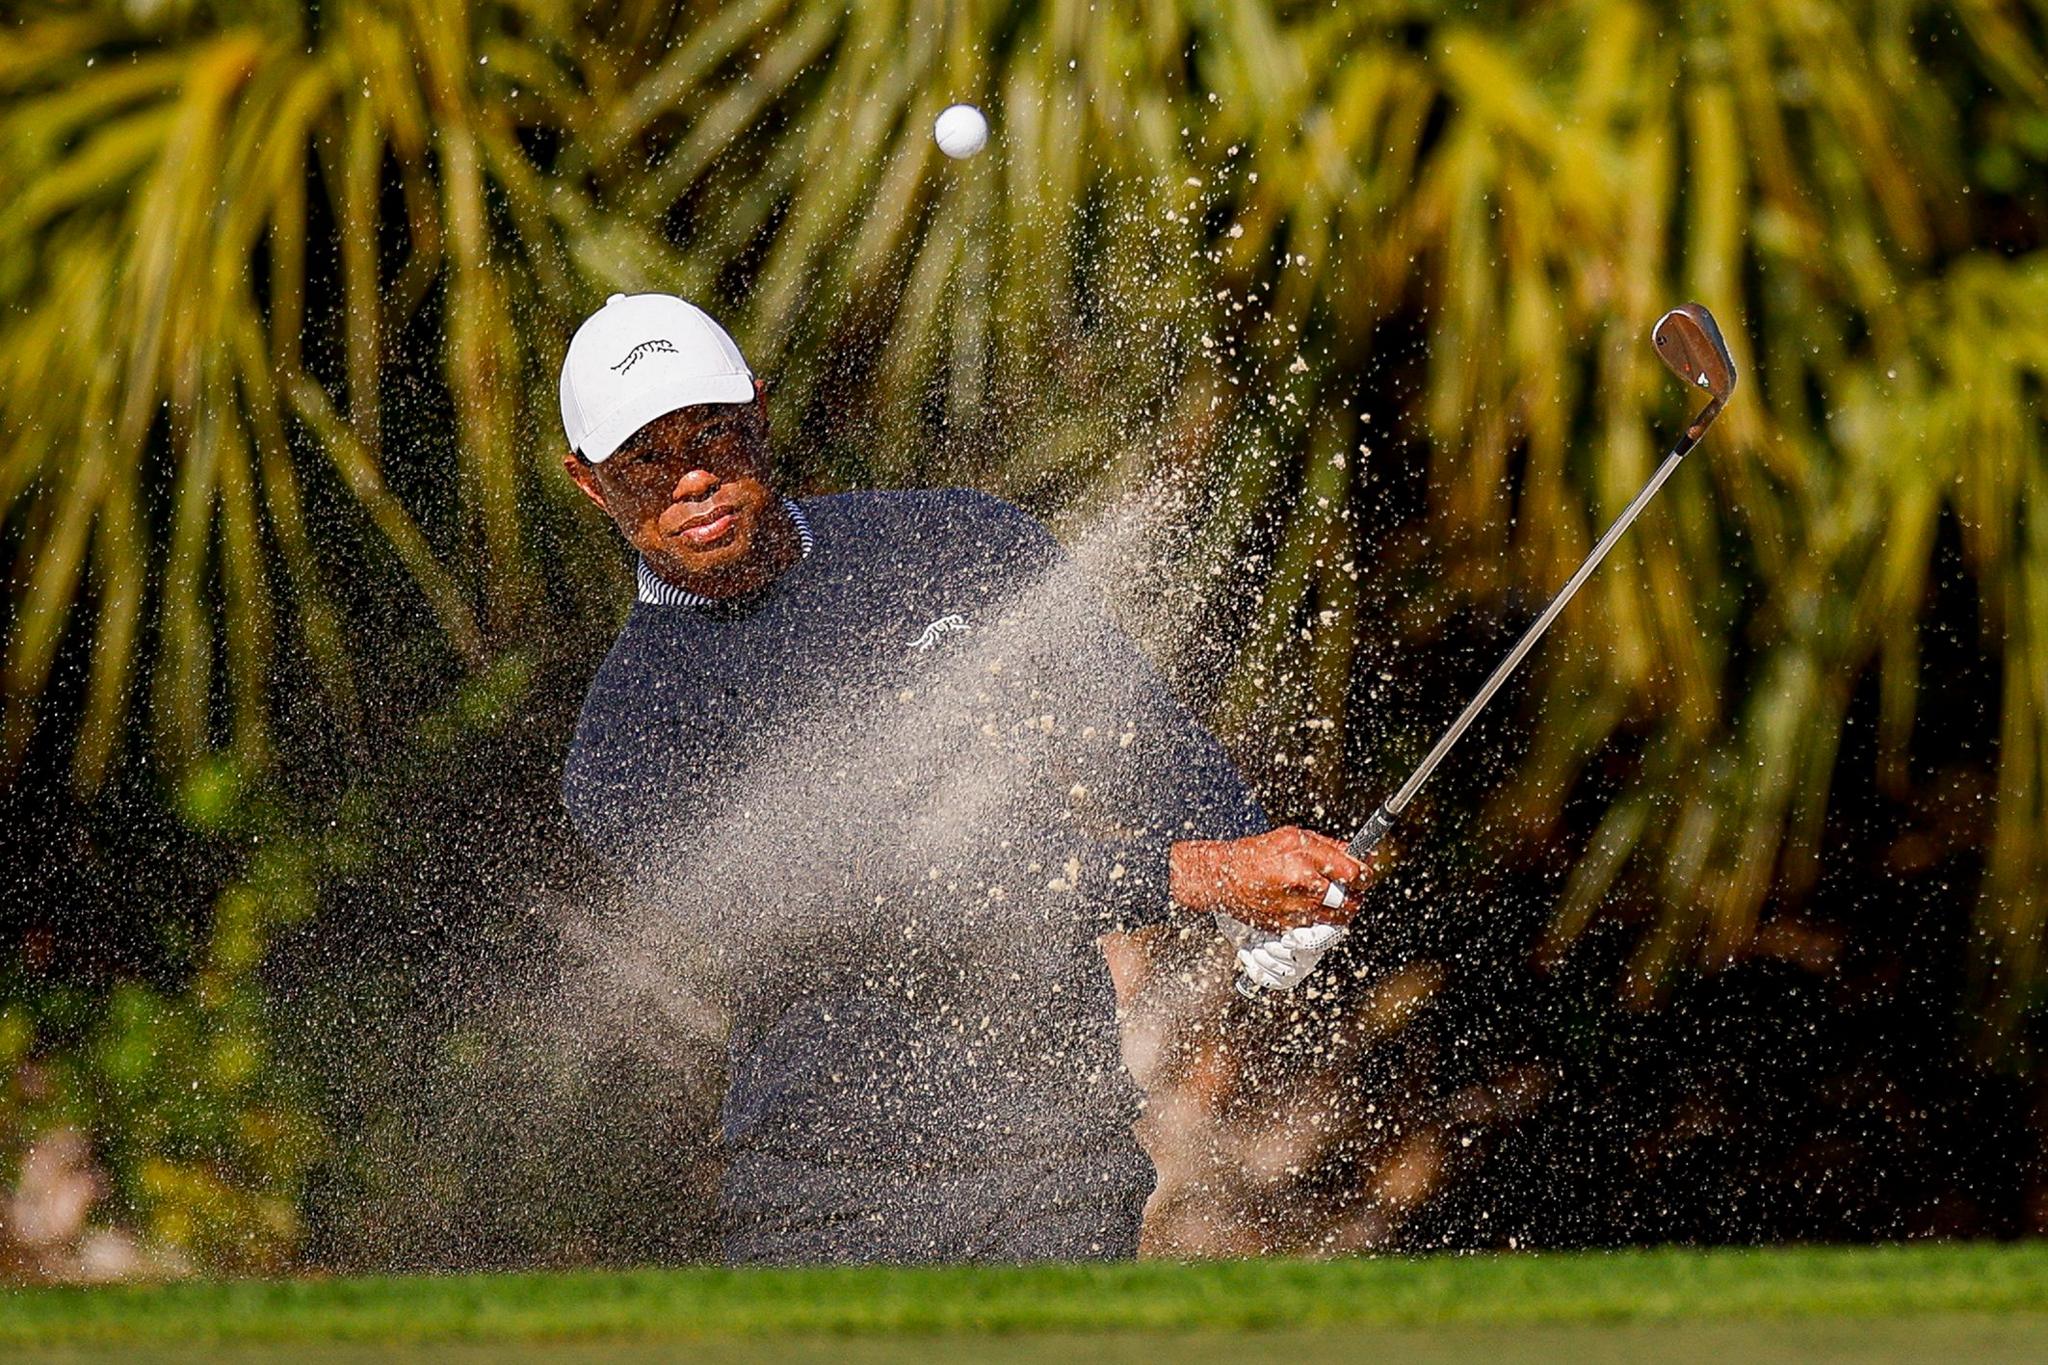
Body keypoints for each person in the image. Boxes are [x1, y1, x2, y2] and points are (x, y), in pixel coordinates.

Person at [557, 293, 1373, 1264]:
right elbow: (877, 890)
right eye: (645, 460)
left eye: (713, 436)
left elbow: (1130, 724)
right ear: (589, 483)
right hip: (821, 1198)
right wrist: (1189, 877)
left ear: (760, 416)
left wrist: (1257, 871)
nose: (690, 477)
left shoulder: (954, 544)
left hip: (1056, 1167)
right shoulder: (627, 737)